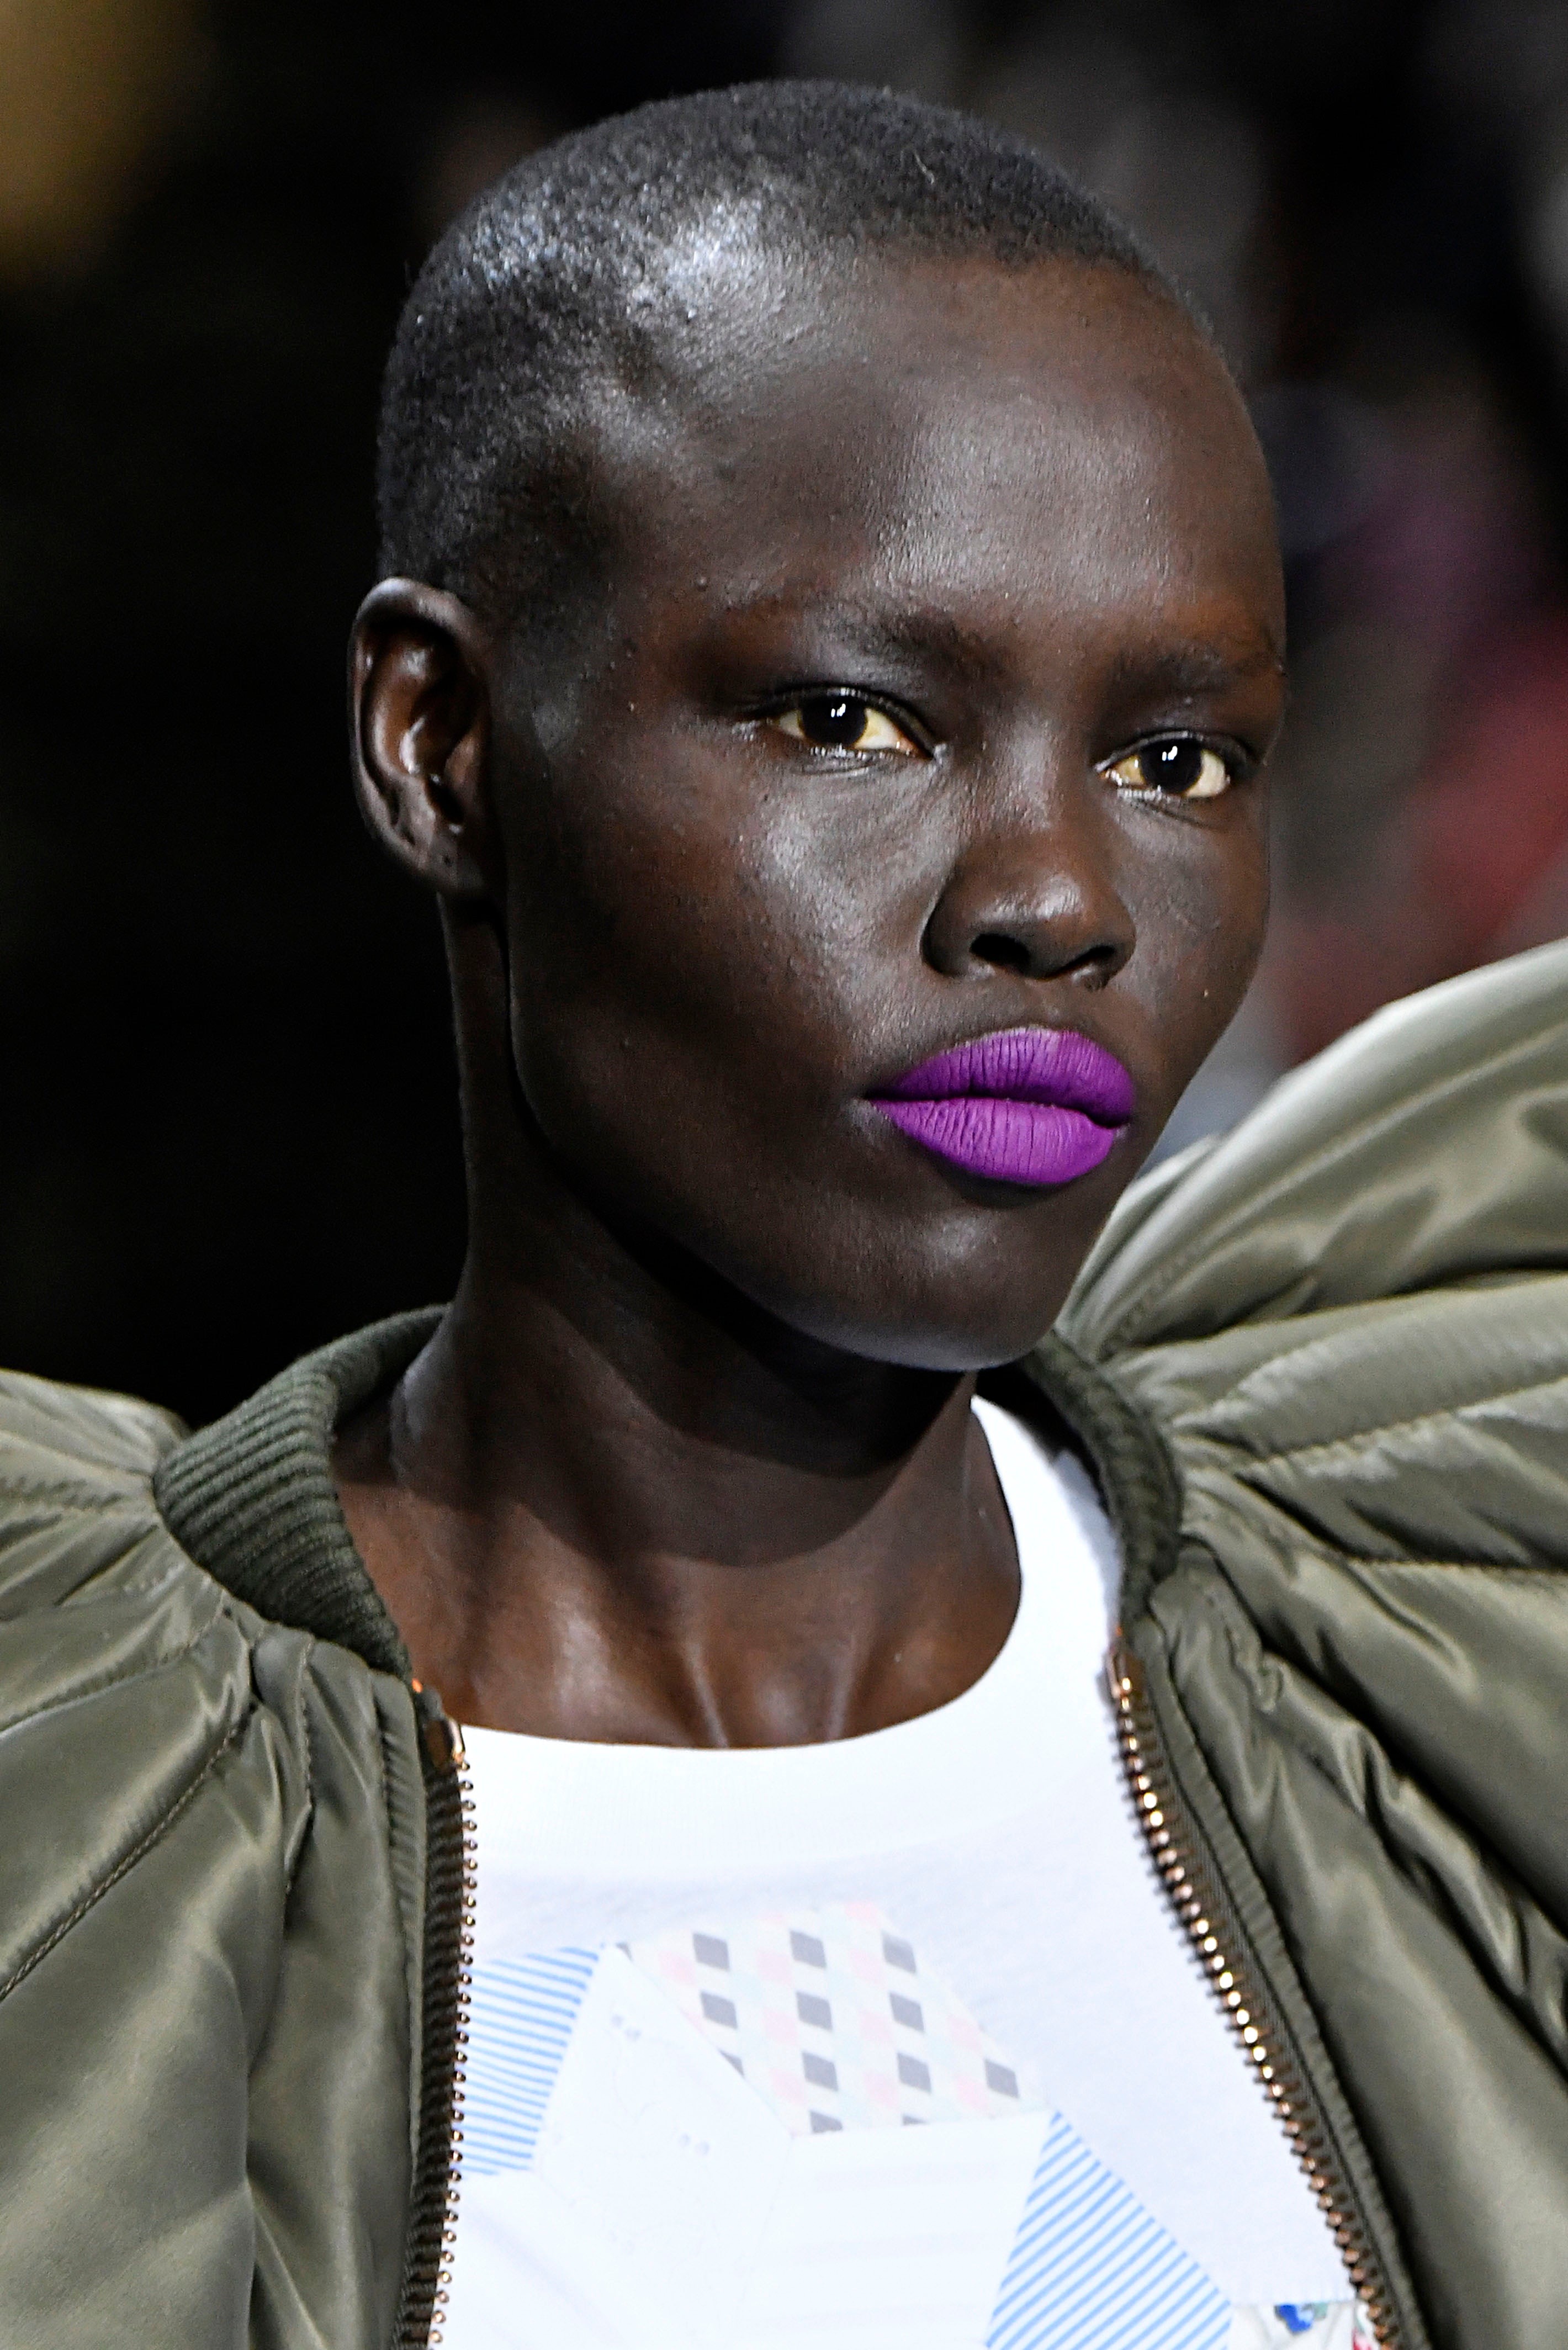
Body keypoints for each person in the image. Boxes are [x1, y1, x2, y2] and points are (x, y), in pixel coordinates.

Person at [2, 80, 1564, 2350]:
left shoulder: (1458, 1673)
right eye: (853, 719)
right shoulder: (82, 1830)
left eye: (1174, 758)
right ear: (440, 738)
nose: (1053, 898)